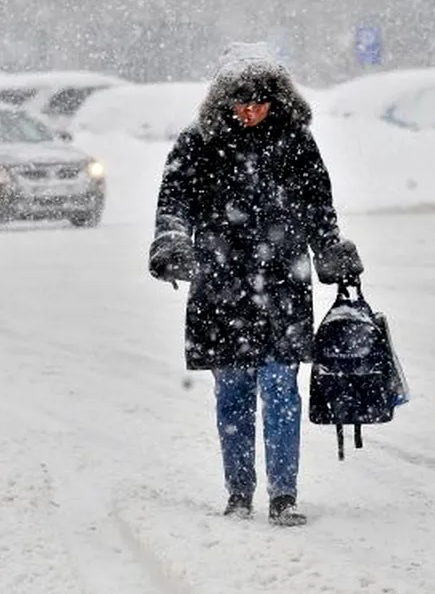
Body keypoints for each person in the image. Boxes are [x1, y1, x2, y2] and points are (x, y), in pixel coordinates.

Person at [149, 42, 364, 526]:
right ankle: (239, 492)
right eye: (241, 103)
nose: (250, 112)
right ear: (223, 100)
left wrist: (331, 247)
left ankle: (284, 494)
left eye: (260, 102)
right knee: (233, 391)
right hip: (220, 284)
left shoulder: (295, 142)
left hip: (283, 283)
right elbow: (174, 204)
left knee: (281, 387)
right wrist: (170, 241)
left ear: (277, 99)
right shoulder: (197, 142)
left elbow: (318, 206)